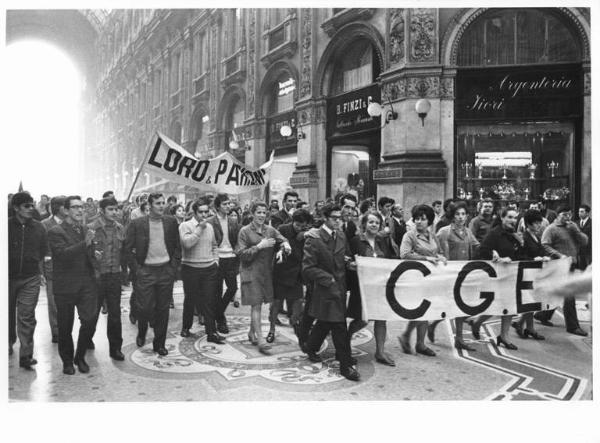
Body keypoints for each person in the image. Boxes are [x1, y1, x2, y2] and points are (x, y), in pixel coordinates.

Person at [302, 203, 360, 381]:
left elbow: (342, 256)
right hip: (325, 289)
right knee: (339, 326)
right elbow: (307, 268)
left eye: (339, 218)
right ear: (325, 218)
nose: (338, 221)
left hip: (340, 289)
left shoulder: (341, 235)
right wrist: (329, 279)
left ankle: (311, 347)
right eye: (334, 218)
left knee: (326, 322)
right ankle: (345, 365)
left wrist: (348, 263)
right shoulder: (315, 238)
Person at [124, 193, 181, 356]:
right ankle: (142, 331)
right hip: (145, 271)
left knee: (163, 309)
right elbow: (127, 249)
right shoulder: (137, 223)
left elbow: (177, 246)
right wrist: (137, 269)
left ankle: (159, 343)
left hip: (165, 271)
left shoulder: (170, 222)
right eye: (158, 203)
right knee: (144, 308)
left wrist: (173, 266)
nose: (162, 206)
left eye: (163, 203)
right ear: (149, 205)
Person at [48, 196, 98, 374]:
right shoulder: (56, 231)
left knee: (90, 320)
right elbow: (62, 255)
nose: (79, 210)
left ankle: (80, 355)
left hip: (86, 283)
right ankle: (67, 361)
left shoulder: (85, 229)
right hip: (65, 286)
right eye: (75, 207)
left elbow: (88, 253)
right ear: (66, 210)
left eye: (81, 207)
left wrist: (94, 254)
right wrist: (85, 243)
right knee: (65, 326)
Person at [236, 201, 290, 354]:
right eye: (258, 212)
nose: (261, 215)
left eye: (264, 212)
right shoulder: (244, 231)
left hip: (266, 273)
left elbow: (283, 240)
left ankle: (251, 333)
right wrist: (259, 246)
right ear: (252, 213)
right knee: (256, 305)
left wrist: (284, 247)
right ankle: (260, 339)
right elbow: (241, 255)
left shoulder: (270, 230)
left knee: (260, 304)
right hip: (250, 272)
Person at [475, 207, 529, 350]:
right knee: (496, 305)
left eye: (515, 217)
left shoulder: (514, 235)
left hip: (511, 275)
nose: (513, 220)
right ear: (502, 218)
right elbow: (482, 251)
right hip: (496, 276)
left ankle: (504, 336)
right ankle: (477, 322)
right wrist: (495, 255)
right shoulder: (494, 234)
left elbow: (518, 255)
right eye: (510, 217)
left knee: (509, 306)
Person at [347, 210, 396, 366]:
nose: (374, 225)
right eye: (371, 222)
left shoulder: (383, 241)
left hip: (380, 286)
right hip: (362, 287)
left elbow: (389, 260)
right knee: (362, 320)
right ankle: (345, 340)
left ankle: (380, 352)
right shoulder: (356, 241)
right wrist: (351, 265)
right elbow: (347, 260)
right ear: (364, 224)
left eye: (377, 222)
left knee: (381, 318)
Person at [398, 204, 447, 357]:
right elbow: (404, 254)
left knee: (427, 309)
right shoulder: (409, 235)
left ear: (429, 221)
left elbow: (438, 251)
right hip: (415, 278)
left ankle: (420, 343)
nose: (419, 222)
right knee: (420, 310)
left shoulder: (432, 235)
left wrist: (441, 257)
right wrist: (426, 258)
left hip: (430, 278)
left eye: (423, 219)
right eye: (417, 219)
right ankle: (407, 335)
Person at [8, 192, 48, 369]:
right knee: (7, 314)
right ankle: (8, 342)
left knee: (27, 316)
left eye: (32, 205)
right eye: (26, 206)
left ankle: (26, 355)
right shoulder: (6, 225)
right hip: (7, 277)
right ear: (16, 208)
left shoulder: (39, 227)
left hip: (30, 278)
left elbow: (43, 251)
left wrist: (40, 272)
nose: (31, 209)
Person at [538, 205, 588, 336]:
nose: (567, 217)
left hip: (571, 264)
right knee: (569, 295)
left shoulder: (572, 227)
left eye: (569, 215)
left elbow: (585, 242)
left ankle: (542, 315)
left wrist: (575, 230)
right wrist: (559, 255)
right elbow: (544, 244)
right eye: (564, 214)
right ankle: (573, 326)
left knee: (559, 292)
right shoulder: (551, 229)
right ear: (558, 215)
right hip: (559, 265)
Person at [436, 201, 480, 351]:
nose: (461, 217)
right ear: (452, 216)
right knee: (445, 305)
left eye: (463, 214)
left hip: (463, 274)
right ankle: (431, 325)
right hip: (449, 274)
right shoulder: (444, 231)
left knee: (460, 306)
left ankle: (459, 338)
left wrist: (491, 251)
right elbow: (437, 250)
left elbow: (476, 246)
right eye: (457, 214)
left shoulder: (468, 232)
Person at [179, 197, 223, 344]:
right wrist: (199, 229)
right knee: (190, 299)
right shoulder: (185, 226)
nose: (204, 215)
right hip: (190, 268)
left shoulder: (210, 227)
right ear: (194, 212)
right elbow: (187, 244)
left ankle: (211, 332)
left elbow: (214, 245)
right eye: (201, 212)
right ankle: (186, 327)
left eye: (206, 212)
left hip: (209, 268)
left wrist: (215, 261)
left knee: (209, 301)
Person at [87, 197, 126, 361]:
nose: (114, 212)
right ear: (101, 210)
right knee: (92, 312)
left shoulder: (120, 228)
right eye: (111, 209)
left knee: (115, 313)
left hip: (114, 275)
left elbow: (123, 251)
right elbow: (86, 253)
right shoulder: (91, 228)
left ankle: (115, 348)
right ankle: (87, 337)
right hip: (96, 277)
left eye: (116, 209)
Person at [267, 209, 312, 343]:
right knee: (276, 304)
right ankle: (271, 330)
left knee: (298, 302)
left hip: (297, 274)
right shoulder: (282, 229)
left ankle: (295, 322)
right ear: (293, 221)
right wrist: (281, 249)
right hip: (281, 272)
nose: (299, 228)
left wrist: (306, 233)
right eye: (297, 225)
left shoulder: (307, 232)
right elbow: (274, 247)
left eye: (302, 226)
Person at [511, 209, 550, 340]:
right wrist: (534, 259)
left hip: (534, 273)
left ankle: (525, 326)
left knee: (532, 301)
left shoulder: (536, 237)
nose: (539, 225)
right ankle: (527, 327)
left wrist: (544, 256)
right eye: (536, 223)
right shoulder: (524, 237)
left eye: (540, 222)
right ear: (528, 224)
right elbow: (520, 256)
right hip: (525, 273)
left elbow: (539, 250)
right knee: (530, 301)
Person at [207, 193, 241, 334]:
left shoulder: (233, 221)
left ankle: (218, 312)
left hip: (231, 258)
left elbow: (237, 241)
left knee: (232, 288)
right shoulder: (210, 221)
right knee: (217, 291)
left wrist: (236, 252)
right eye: (225, 204)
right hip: (217, 258)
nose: (228, 206)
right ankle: (221, 320)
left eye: (229, 203)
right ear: (217, 206)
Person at [41, 196, 68, 344]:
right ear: (58, 208)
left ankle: (66, 329)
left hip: (71, 269)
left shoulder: (73, 223)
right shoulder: (44, 225)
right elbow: (42, 250)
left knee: (69, 302)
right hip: (53, 269)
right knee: (53, 303)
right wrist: (42, 271)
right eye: (67, 206)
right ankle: (56, 331)